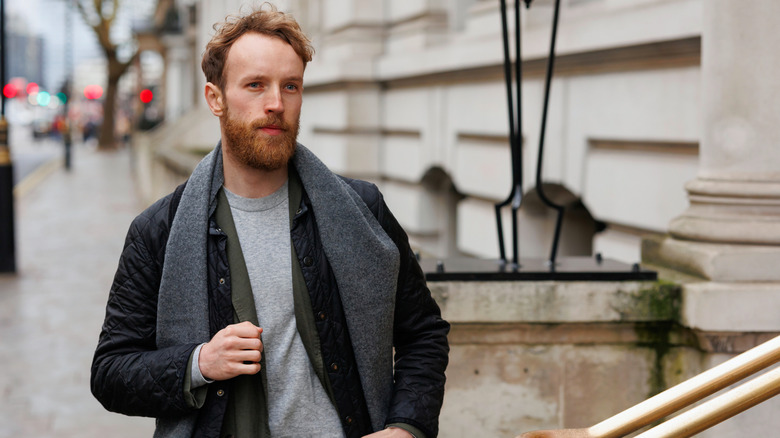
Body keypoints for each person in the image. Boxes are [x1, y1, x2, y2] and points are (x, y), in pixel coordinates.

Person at [90, 5, 450, 438]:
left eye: (290, 86)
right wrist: (198, 363)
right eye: (255, 85)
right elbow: (110, 371)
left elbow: (423, 333)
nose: (276, 103)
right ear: (215, 99)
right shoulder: (158, 231)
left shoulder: (361, 209)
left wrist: (406, 427)